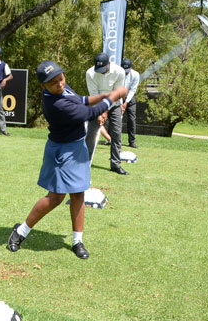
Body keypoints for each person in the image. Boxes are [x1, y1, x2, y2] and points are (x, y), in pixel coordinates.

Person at [7, 60, 127, 259]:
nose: (60, 83)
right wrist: (113, 97)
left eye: (61, 78)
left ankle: (77, 241)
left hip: (77, 146)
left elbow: (82, 99)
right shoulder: (56, 104)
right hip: (61, 151)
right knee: (55, 198)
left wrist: (104, 96)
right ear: (43, 86)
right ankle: (21, 231)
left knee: (78, 193)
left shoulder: (62, 88)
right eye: (53, 82)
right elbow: (88, 113)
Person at [84, 53, 127, 175]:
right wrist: (99, 112)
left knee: (116, 133)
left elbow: (116, 93)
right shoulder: (90, 73)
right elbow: (94, 94)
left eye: (103, 69)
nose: (101, 72)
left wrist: (106, 111)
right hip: (97, 104)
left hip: (115, 104)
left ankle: (115, 164)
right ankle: (85, 163)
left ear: (109, 63)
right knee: (91, 133)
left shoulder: (119, 72)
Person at [121, 58, 140, 148]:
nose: (125, 72)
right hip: (118, 95)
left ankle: (131, 141)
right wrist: (121, 101)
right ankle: (111, 139)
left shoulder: (135, 74)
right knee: (115, 117)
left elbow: (133, 90)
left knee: (131, 119)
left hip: (130, 97)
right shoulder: (118, 73)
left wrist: (126, 102)